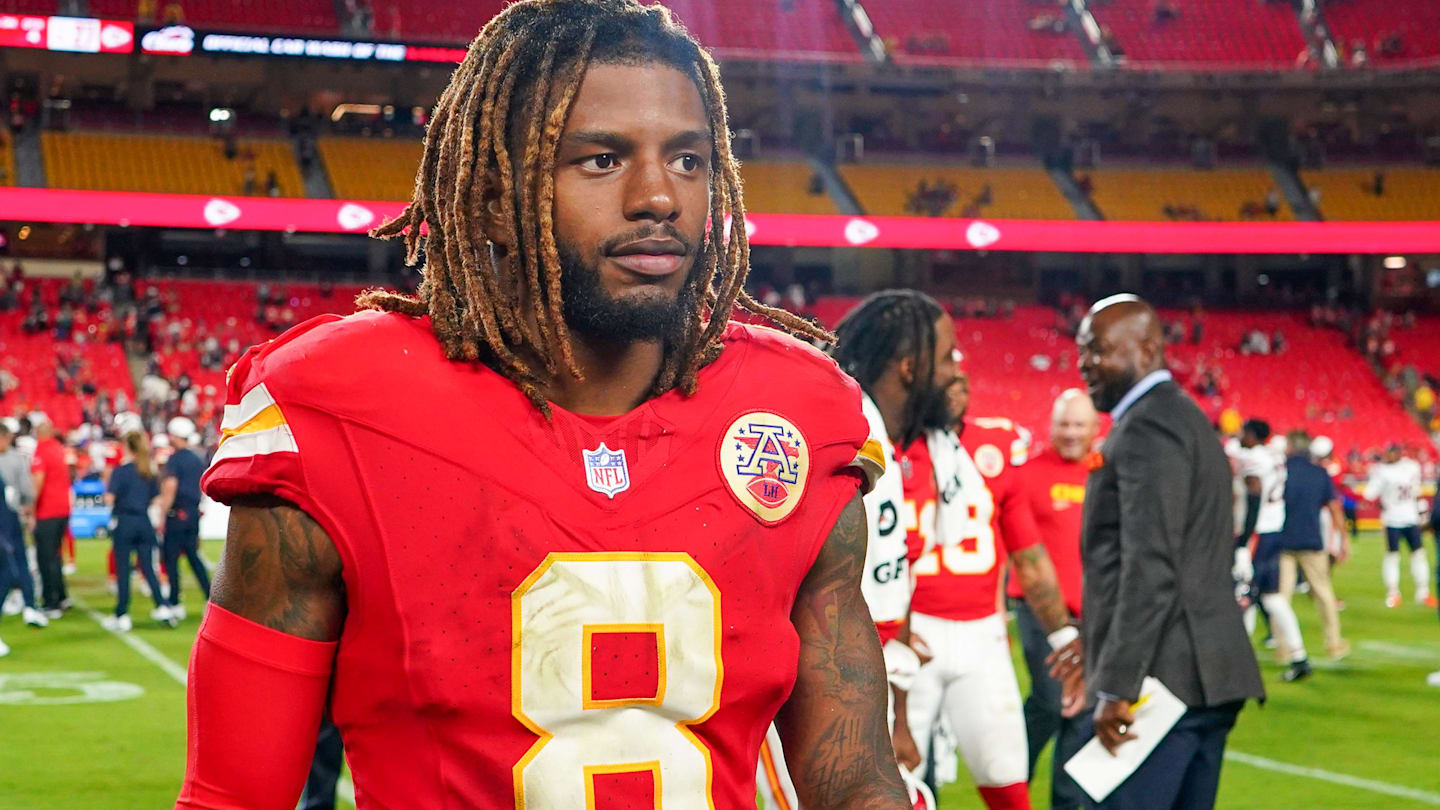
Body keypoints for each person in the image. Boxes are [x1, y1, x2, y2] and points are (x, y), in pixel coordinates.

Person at [175, 2, 911, 808]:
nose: (659, 196)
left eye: (691, 161)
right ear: (492, 198)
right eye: (601, 160)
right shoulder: (338, 411)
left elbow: (855, 781)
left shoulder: (797, 414)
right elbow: (234, 796)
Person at [833, 292, 1077, 810]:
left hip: (951, 641)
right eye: (947, 358)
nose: (958, 371)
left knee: (987, 777)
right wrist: (893, 712)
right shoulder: (856, 441)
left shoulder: (929, 448)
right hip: (831, 675)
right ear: (910, 367)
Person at [1075, 294, 1264, 810]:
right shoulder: (1179, 415)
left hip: (1168, 678)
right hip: (1203, 672)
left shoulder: (1147, 425)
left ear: (1148, 349)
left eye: (1098, 349)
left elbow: (1151, 565)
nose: (1084, 362)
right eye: (1082, 350)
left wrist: (1117, 684)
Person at [1008, 389, 1099, 810]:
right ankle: (1009, 777)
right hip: (1038, 611)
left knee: (1081, 713)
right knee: (1049, 699)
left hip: (1093, 613)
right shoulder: (1024, 474)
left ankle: (1065, 802)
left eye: (1079, 424)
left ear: (1095, 428)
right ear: (1051, 425)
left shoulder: (1106, 474)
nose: (1071, 432)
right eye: (1064, 423)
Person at [1232, 418, 1310, 681]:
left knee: (1243, 596)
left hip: (1258, 533)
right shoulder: (1274, 456)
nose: (1240, 435)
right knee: (1270, 597)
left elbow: (1254, 493)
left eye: (1244, 431)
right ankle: (1299, 657)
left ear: (1253, 435)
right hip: (1275, 529)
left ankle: (1238, 663)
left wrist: (1243, 538)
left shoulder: (1253, 458)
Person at [1275, 429, 1350, 669]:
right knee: (1324, 593)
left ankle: (1284, 648)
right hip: (1311, 540)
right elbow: (1334, 507)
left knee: (1280, 597)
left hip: (1282, 540)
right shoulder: (1319, 473)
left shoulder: (1282, 471)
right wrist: (1343, 539)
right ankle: (1334, 643)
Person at [102, 430, 176, 632]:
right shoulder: (148, 472)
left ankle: (122, 614)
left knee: (123, 571)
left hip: (125, 522)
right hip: (144, 522)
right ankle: (162, 607)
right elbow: (155, 498)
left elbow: (109, 498)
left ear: (128, 447)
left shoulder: (120, 471)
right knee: (148, 569)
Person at [1365, 444, 1430, 608]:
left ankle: (1422, 592)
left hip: (1407, 517)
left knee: (1418, 555)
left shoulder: (1384, 471)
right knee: (1393, 556)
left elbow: (1369, 495)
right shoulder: (1408, 467)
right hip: (1394, 519)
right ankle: (1394, 593)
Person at [157, 417, 209, 620]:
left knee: (171, 559)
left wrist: (162, 515)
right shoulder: (197, 458)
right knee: (194, 557)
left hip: (177, 514)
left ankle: (175, 602)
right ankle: (209, 595)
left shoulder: (175, 459)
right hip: (192, 513)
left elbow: (170, 487)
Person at [0, 419, 44, 627]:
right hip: (10, 517)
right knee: (18, 562)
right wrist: (29, 511)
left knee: (16, 563)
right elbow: (27, 491)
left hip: (10, 517)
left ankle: (25, 604)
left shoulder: (15, 459)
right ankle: (28, 606)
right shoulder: (16, 459)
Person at [28, 414, 71, 619]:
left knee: (46, 558)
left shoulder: (41, 450)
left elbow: (38, 481)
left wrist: (30, 509)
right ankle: (62, 596)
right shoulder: (59, 448)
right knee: (56, 555)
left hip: (47, 511)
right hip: (63, 509)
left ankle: (51, 601)